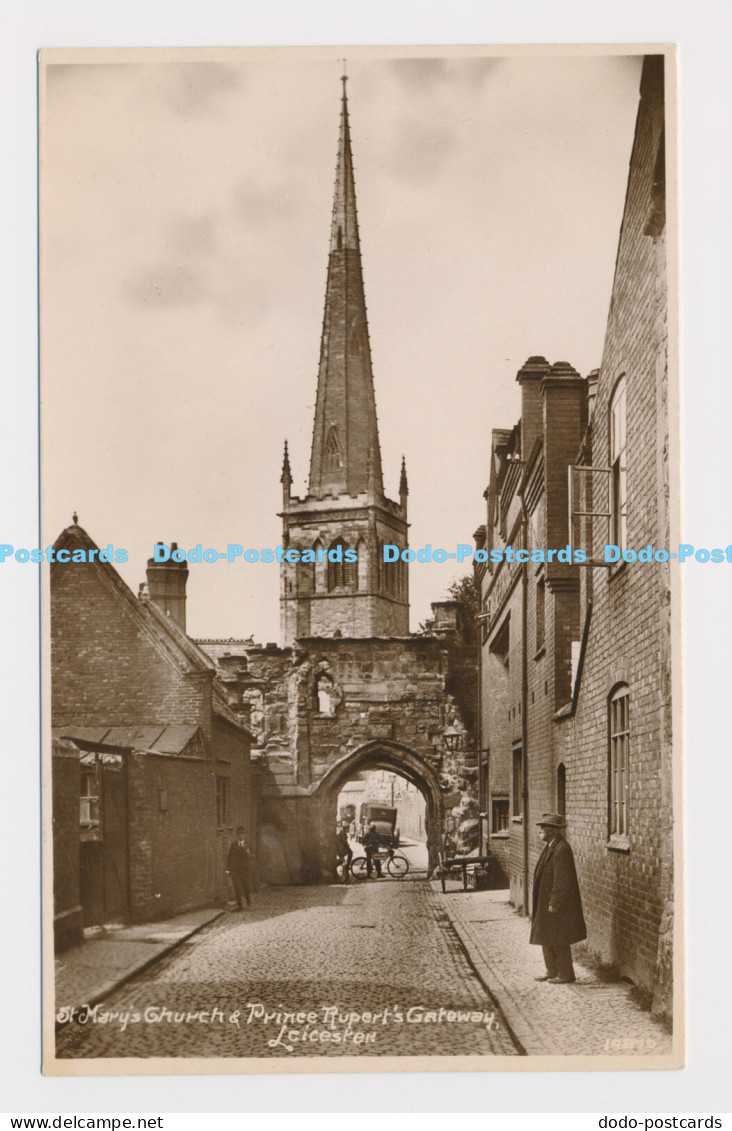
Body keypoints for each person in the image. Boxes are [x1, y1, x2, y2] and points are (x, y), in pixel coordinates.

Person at [530, 812, 586, 983]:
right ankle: (551, 971)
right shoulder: (551, 847)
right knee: (546, 936)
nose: (540, 831)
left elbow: (563, 879)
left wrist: (555, 902)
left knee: (559, 937)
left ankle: (565, 974)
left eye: (542, 828)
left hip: (557, 903)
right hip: (545, 900)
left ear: (551, 832)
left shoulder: (562, 849)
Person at [226, 826, 253, 910]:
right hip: (236, 870)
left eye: (242, 834)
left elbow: (252, 857)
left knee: (246, 887)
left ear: (244, 835)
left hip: (245, 870)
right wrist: (227, 869)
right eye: (239, 834)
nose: (240, 836)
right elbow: (229, 857)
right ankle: (240, 905)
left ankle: (248, 900)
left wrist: (249, 854)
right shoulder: (233, 845)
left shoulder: (248, 845)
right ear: (237, 836)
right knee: (237, 887)